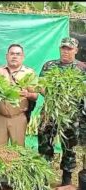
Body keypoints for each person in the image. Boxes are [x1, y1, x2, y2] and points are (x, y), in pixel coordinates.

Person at [38, 37, 86, 186]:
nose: (65, 51)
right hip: (50, 113)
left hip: (72, 116)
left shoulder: (81, 68)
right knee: (45, 144)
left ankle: (66, 180)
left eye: (69, 49)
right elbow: (40, 86)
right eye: (63, 48)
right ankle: (45, 176)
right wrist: (52, 93)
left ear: (76, 50)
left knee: (69, 147)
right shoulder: (49, 66)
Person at [0, 44, 38, 146]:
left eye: (18, 54)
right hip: (0, 116)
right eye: (12, 54)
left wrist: (27, 94)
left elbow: (35, 96)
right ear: (7, 56)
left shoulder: (29, 73)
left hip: (18, 117)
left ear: (22, 57)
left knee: (18, 150)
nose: (14, 56)